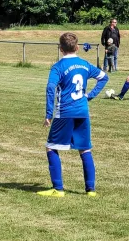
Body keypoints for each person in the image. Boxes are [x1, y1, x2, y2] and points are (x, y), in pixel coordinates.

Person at [39, 32, 108, 197]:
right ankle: (90, 190)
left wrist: (49, 113)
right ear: (77, 47)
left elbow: (50, 88)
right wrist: (89, 95)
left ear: (60, 49)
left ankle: (58, 189)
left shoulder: (58, 67)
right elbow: (104, 77)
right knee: (84, 149)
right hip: (82, 111)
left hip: (65, 112)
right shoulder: (84, 64)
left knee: (51, 147)